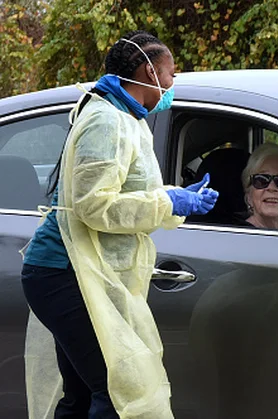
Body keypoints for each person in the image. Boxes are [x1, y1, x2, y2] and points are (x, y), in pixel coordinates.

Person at [20, 30, 218, 418]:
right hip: (64, 272)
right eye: (171, 73)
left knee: (80, 395)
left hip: (82, 270)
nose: (174, 83)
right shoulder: (105, 120)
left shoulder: (128, 117)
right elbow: (94, 204)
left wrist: (175, 196)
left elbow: (126, 189)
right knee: (119, 391)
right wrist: (168, 200)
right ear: (149, 71)